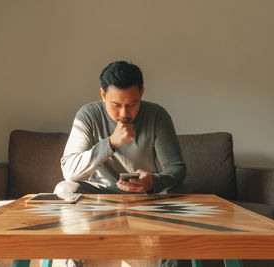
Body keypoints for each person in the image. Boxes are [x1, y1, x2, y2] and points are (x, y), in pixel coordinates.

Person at [54, 61, 187, 267]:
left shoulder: (157, 115)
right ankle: (74, 259)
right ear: (103, 95)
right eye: (116, 105)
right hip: (100, 196)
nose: (124, 113)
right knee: (64, 188)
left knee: (180, 194)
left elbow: (177, 169)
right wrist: (110, 143)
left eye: (132, 104)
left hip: (146, 197)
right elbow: (69, 171)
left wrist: (153, 182)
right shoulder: (88, 115)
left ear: (141, 93)